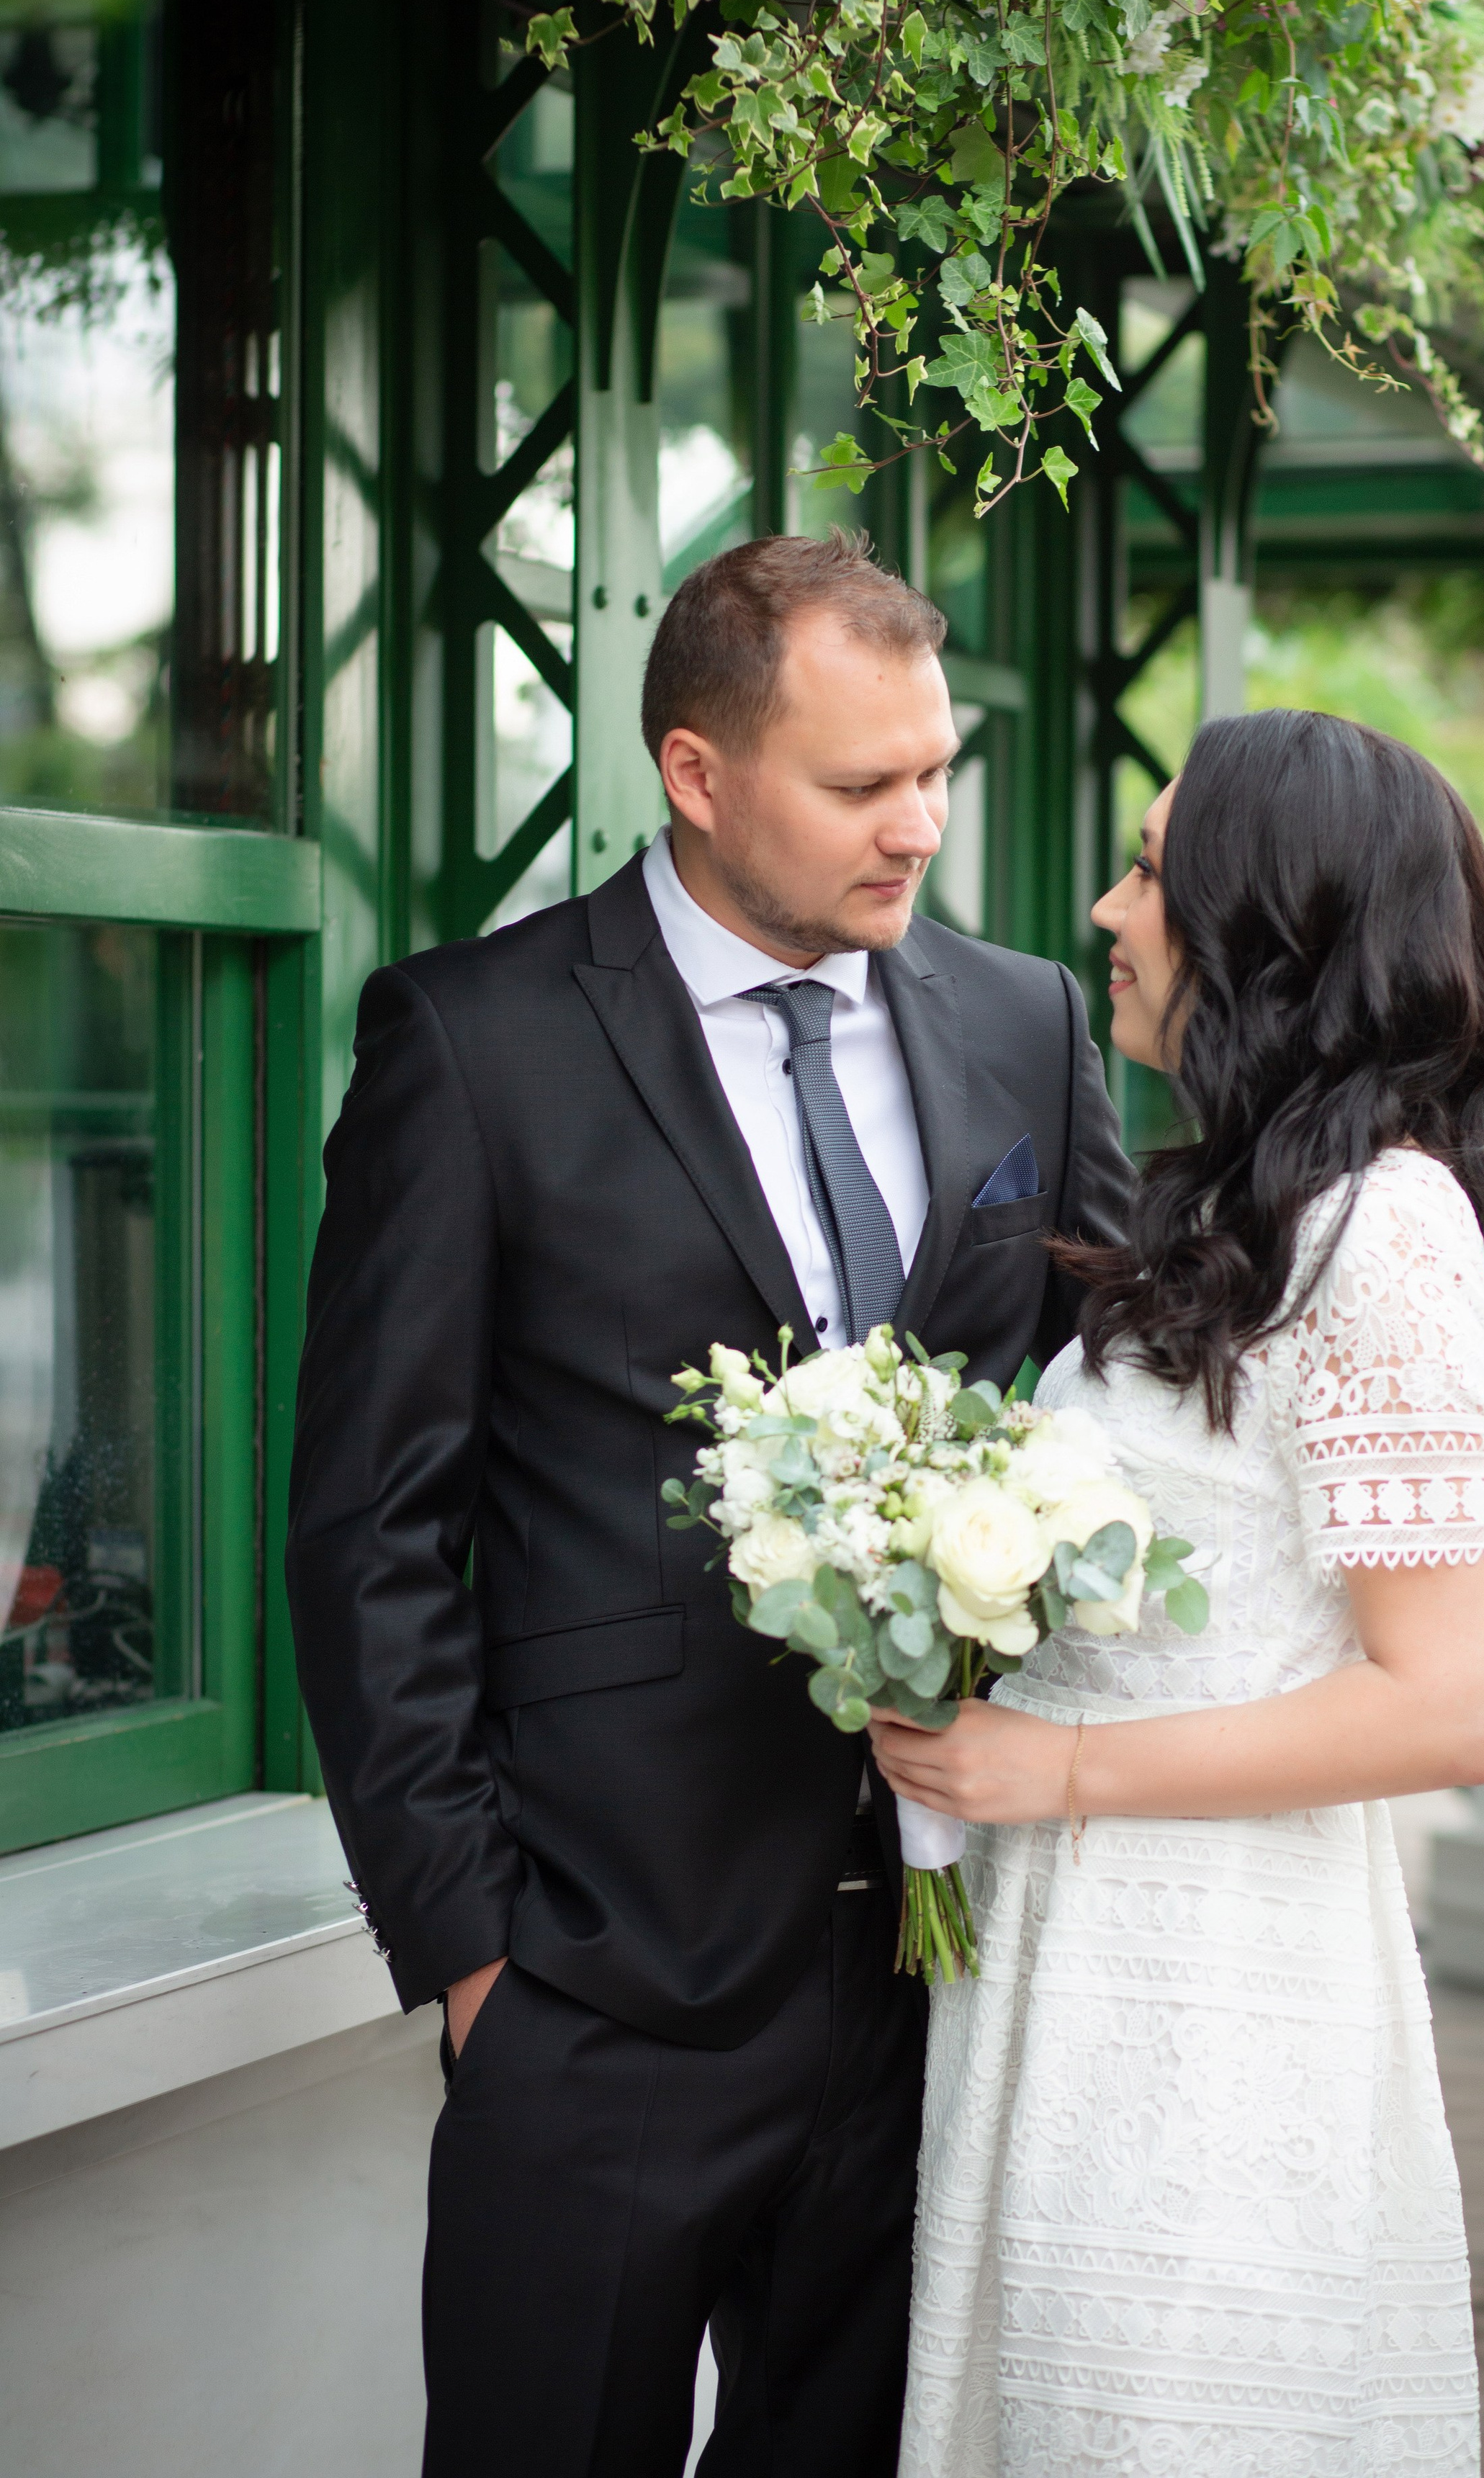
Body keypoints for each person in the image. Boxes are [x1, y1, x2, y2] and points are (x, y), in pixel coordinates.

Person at [284, 532, 1133, 2478]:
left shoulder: (1024, 1024)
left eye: (935, 772)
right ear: (695, 772)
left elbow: (1116, 1393)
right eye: (861, 784)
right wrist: (475, 1957)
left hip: (934, 1972)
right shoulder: (472, 1042)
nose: (918, 827)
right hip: (593, 1976)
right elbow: (369, 1530)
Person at [873, 708, 1484, 2478]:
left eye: (1149, 872)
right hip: (1061, 1966)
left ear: (1266, 925)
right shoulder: (1245, 1213)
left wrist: (1058, 1768)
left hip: (1209, 1988)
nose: (1106, 911)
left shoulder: (1385, 1233)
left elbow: (1453, 1706)